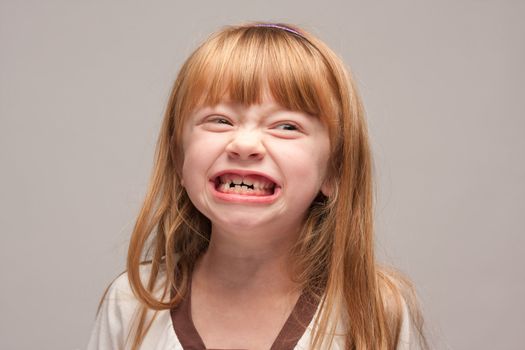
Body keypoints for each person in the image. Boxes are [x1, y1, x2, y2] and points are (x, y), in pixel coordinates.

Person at [87, 22, 428, 350]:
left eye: (286, 126)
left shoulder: (373, 312)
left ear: (334, 172)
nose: (245, 143)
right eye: (220, 120)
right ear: (179, 159)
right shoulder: (132, 303)